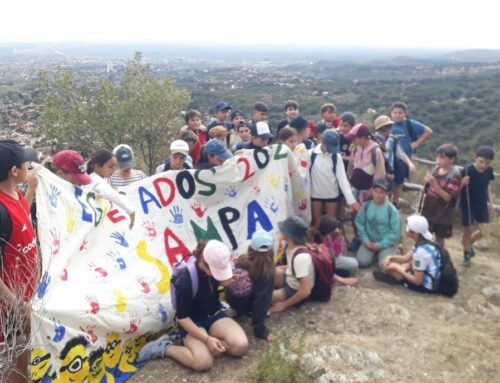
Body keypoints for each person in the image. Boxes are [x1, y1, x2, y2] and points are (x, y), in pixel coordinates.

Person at [137, 240, 248, 371]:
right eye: (217, 272)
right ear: (205, 264)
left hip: (214, 314)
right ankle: (165, 348)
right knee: (203, 362)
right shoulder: (186, 282)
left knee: (240, 346)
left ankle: (210, 342)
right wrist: (206, 340)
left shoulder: (216, 262)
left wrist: (228, 281)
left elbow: (219, 282)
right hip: (192, 321)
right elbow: (182, 318)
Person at [0, 140, 39, 383]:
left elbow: (21, 212)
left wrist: (31, 189)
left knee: (26, 346)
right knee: (16, 351)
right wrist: (16, 304)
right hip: (11, 304)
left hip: (25, 294)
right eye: (26, 163)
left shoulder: (12, 195)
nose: (29, 166)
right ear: (14, 171)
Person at [225, 231, 275, 341]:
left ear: (250, 249)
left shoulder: (242, 259)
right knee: (265, 296)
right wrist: (260, 330)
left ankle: (236, 310)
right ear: (271, 252)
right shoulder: (266, 273)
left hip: (231, 300)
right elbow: (262, 301)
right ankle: (250, 316)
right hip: (246, 305)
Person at [346, 124, 386, 251]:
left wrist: (373, 190)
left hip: (367, 189)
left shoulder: (375, 151)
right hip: (355, 188)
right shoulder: (356, 149)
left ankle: (368, 238)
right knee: (354, 212)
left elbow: (380, 172)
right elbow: (351, 165)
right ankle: (357, 237)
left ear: (363, 137)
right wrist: (349, 180)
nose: (353, 141)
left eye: (355, 138)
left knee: (367, 214)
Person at [378, 215, 441, 294]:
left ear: (415, 234)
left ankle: (398, 278)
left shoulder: (420, 252)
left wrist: (397, 268)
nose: (405, 228)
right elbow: (406, 258)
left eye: (408, 227)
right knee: (400, 262)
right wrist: (390, 257)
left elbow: (417, 281)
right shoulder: (424, 241)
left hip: (425, 286)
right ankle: (400, 274)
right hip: (429, 276)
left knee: (390, 267)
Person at [310, 130, 359, 228]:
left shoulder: (336, 157)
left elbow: (342, 179)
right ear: (322, 142)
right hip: (315, 194)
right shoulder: (311, 154)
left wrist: (351, 200)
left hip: (331, 194)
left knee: (331, 223)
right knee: (317, 222)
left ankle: (331, 242)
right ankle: (319, 241)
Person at [390, 102, 433, 207]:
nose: (397, 115)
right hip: (391, 158)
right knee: (389, 178)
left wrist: (416, 144)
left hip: (405, 159)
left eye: (400, 113)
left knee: (399, 181)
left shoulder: (410, 124)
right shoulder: (389, 124)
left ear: (405, 113)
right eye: (395, 112)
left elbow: (428, 131)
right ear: (391, 113)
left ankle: (395, 202)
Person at [420, 144, 461, 248]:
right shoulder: (436, 170)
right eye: (437, 156)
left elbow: (448, 197)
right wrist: (425, 188)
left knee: (439, 238)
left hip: (443, 213)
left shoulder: (455, 176)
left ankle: (440, 256)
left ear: (452, 159)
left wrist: (434, 184)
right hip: (429, 209)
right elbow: (429, 188)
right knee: (424, 234)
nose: (438, 160)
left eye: (442, 157)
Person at [460, 146, 495, 266]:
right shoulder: (467, 170)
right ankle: (466, 255)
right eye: (481, 161)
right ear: (475, 158)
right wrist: (462, 183)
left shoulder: (489, 171)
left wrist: (490, 203)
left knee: (484, 229)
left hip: (482, 204)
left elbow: (487, 186)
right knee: (467, 230)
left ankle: (467, 243)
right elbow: (456, 187)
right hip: (467, 203)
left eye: (487, 163)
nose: (484, 165)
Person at [354, 179, 401, 268]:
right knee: (362, 262)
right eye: (376, 191)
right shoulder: (366, 206)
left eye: (382, 192)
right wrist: (365, 240)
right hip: (369, 241)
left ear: (386, 193)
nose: (378, 195)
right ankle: (376, 255)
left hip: (385, 244)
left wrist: (381, 245)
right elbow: (359, 223)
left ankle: (392, 251)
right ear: (372, 191)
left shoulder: (391, 210)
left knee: (384, 266)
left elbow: (395, 232)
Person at [271, 215, 314, 313]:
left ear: (288, 235)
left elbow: (305, 291)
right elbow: (292, 267)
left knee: (261, 299)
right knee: (270, 272)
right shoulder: (291, 247)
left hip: (294, 289)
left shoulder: (301, 257)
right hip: (290, 278)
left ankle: (290, 300)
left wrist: (283, 305)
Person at [86, 149, 136, 228]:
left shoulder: (92, 179)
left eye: (115, 166)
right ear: (97, 166)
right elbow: (112, 195)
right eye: (110, 166)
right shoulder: (97, 181)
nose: (114, 169)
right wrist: (130, 211)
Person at [309, 216, 359, 285]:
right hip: (322, 264)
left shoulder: (328, 237)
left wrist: (338, 239)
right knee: (349, 267)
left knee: (351, 266)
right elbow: (322, 266)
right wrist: (342, 280)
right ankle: (332, 275)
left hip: (331, 259)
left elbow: (337, 253)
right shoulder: (317, 244)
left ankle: (333, 273)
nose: (337, 229)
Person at [373, 115, 415, 183]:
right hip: (376, 171)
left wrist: (410, 164)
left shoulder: (393, 140)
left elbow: (402, 154)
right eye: (386, 127)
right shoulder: (373, 140)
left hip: (390, 172)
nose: (389, 130)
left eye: (390, 127)